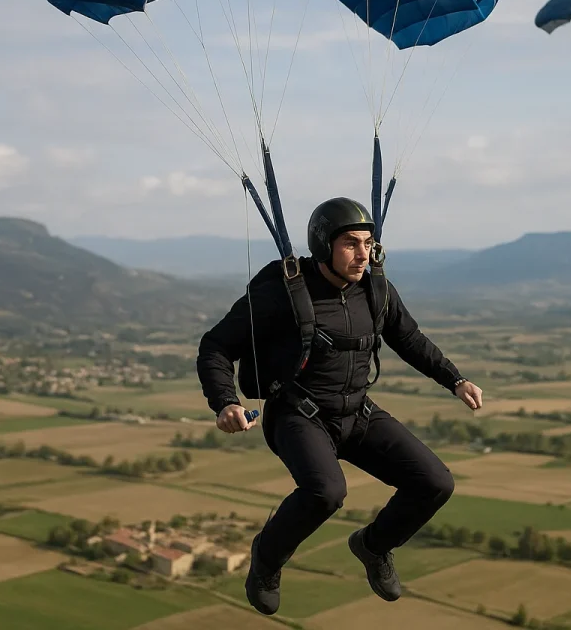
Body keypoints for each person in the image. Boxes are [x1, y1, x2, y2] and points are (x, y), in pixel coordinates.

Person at [196, 197, 483, 616]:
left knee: (434, 482)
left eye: (368, 243)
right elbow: (216, 346)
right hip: (298, 414)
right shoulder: (283, 291)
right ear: (322, 244)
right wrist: (224, 401)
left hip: (356, 412)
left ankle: (373, 545)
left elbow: (410, 339)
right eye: (350, 243)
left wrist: (454, 379)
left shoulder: (376, 290)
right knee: (325, 492)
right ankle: (266, 559)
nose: (363, 254)